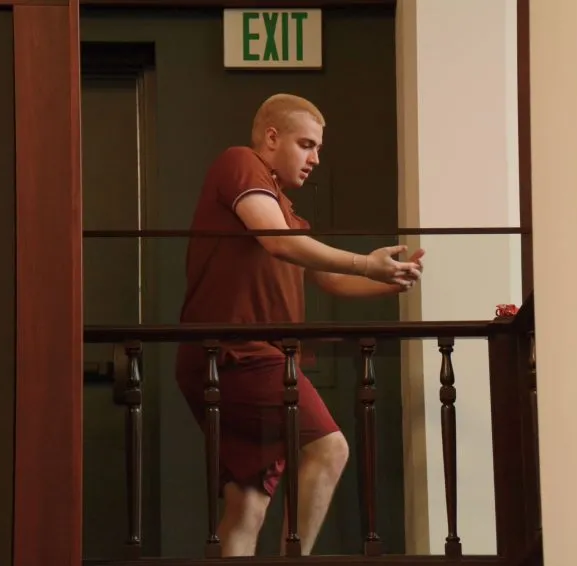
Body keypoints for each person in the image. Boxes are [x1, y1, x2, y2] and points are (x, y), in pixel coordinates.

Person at [175, 93, 425, 557]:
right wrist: (365, 264)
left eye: (318, 149)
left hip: (241, 358)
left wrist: (387, 279)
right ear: (272, 137)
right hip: (236, 354)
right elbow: (275, 241)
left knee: (247, 506)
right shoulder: (241, 162)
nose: (314, 159)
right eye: (306, 144)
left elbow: (326, 276)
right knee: (330, 448)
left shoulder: (289, 212)